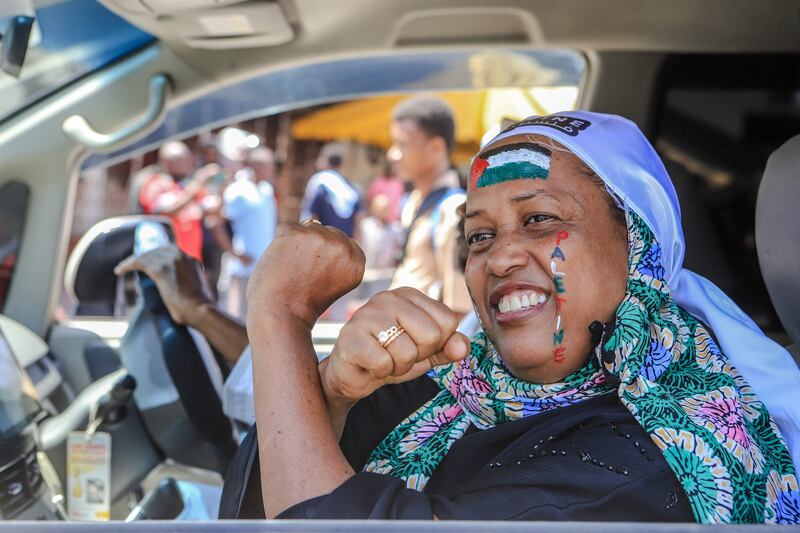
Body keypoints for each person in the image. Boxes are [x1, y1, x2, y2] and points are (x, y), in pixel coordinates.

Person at [242, 111, 800, 523]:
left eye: (539, 219)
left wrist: (281, 314)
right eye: (479, 235)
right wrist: (334, 395)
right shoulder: (455, 388)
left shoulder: (654, 456)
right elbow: (259, 491)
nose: (498, 257)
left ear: (639, 248)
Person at [388, 96, 471, 317]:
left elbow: (459, 308)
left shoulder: (454, 211)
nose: (392, 154)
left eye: (402, 145)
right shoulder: (415, 201)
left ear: (436, 147)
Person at [217, 147, 278, 318]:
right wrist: (233, 252)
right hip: (244, 267)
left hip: (264, 264)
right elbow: (217, 223)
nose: (272, 170)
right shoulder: (238, 191)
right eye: (268, 165)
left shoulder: (267, 189)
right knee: (242, 317)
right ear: (256, 166)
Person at [138, 141, 220, 261]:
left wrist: (223, 188)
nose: (188, 163)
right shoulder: (156, 184)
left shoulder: (187, 185)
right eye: (182, 160)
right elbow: (168, 211)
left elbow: (213, 210)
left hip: (191, 259)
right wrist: (198, 183)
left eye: (188, 159)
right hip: (165, 261)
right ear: (168, 162)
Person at [302, 149, 361, 239]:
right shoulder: (351, 188)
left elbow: (311, 217)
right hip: (347, 243)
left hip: (326, 241)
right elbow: (357, 221)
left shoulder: (319, 184)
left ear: (327, 163)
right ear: (341, 165)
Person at [358, 194, 401, 271]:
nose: (384, 212)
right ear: (374, 209)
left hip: (387, 274)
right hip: (367, 273)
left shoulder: (395, 229)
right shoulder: (365, 227)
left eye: (386, 208)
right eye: (382, 209)